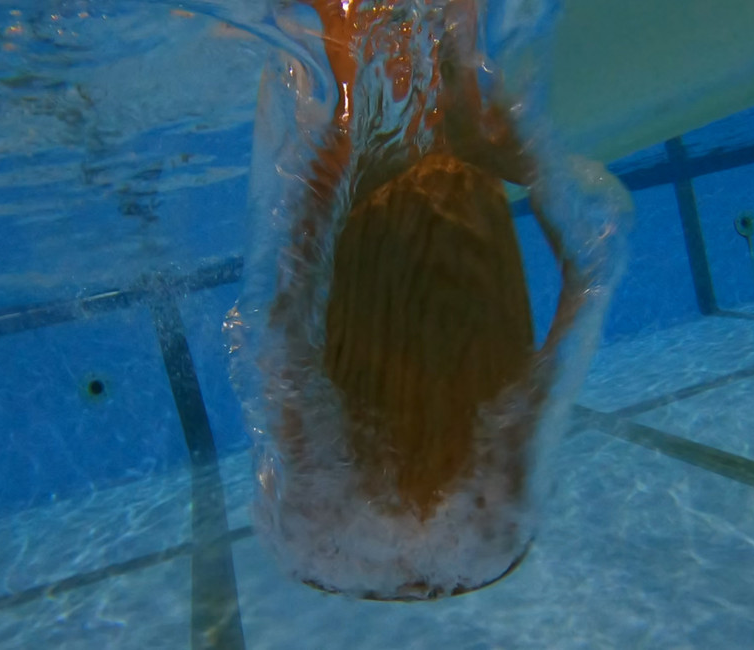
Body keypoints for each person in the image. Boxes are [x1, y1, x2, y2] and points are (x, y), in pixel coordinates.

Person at [250, 0, 590, 599]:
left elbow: (590, 266)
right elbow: (282, 325)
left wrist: (530, 161)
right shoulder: (322, 527)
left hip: (427, 204)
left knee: (412, 66)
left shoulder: (492, 518)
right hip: (375, 209)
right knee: (369, 66)